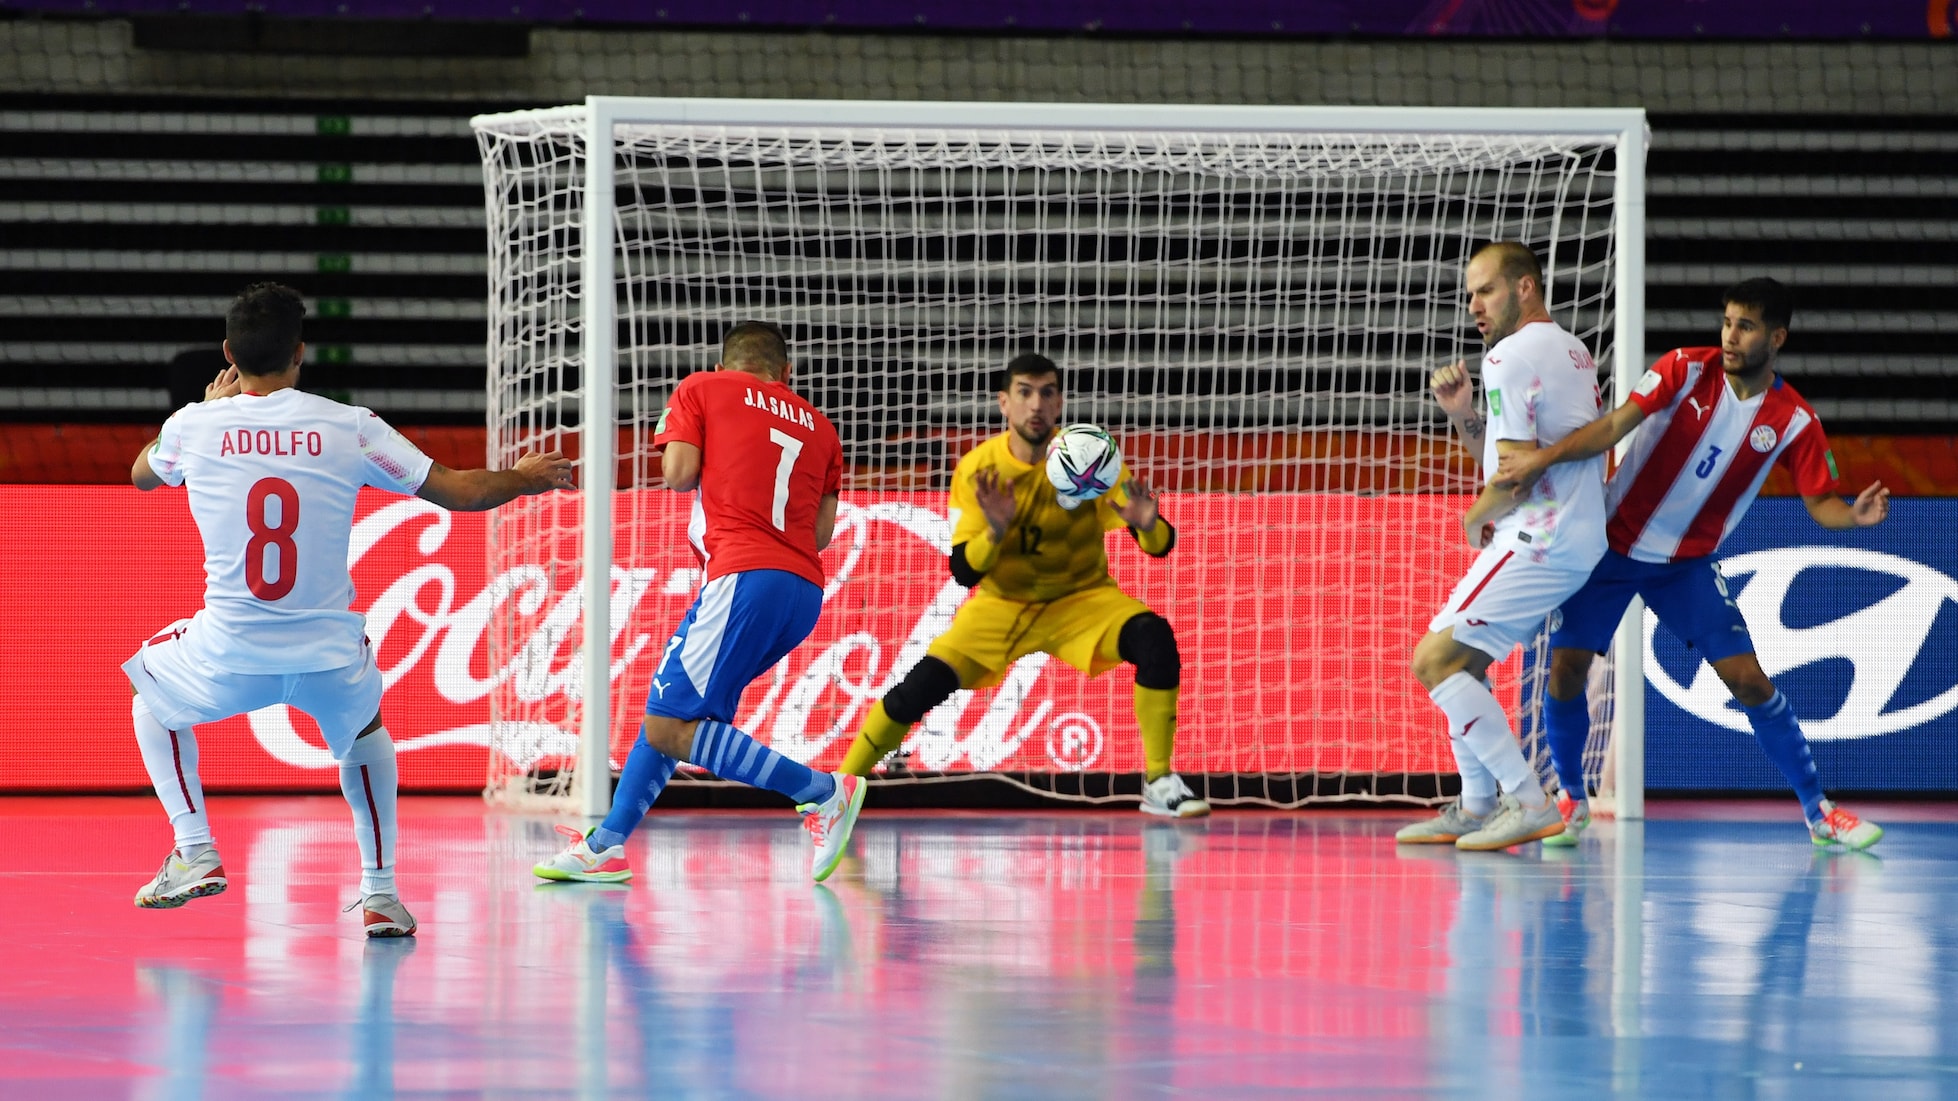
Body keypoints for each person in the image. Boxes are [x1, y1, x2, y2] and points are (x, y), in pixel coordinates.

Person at [126, 282, 574, 936]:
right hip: (329, 655)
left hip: (227, 654)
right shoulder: (350, 427)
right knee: (365, 735)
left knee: (150, 693)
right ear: (300, 352)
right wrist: (527, 477)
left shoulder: (193, 426)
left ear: (227, 351)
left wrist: (203, 408)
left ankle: (195, 848)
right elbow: (459, 491)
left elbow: (142, 473)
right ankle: (382, 893)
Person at [1492, 278, 1888, 849]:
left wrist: (1854, 517)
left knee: (1750, 682)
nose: (1730, 336)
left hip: (1688, 566)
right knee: (1565, 669)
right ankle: (1572, 799)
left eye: (1746, 326)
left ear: (1776, 337)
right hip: (1611, 548)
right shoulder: (1683, 369)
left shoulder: (1795, 420)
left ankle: (1819, 812)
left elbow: (1821, 503)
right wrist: (1540, 462)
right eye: (1727, 321)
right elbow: (1610, 428)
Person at [534, 321, 868, 884]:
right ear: (786, 374)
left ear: (725, 363)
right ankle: (606, 845)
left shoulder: (702, 388)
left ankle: (824, 792)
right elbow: (819, 535)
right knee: (672, 715)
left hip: (742, 577)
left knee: (670, 725)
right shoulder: (822, 428)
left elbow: (679, 472)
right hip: (803, 592)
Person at [833, 353, 1209, 818]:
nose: (1037, 404)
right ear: (1004, 404)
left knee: (1155, 638)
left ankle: (1158, 781)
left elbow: (1159, 545)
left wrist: (1147, 524)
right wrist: (995, 530)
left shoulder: (1088, 455)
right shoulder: (980, 470)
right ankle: (838, 791)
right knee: (917, 689)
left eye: (1047, 392)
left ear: (1060, 402)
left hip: (1081, 599)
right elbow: (964, 572)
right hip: (1002, 604)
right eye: (1025, 393)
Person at [1397, 242, 1608, 851]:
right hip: (1563, 533)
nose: (1473, 306)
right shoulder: (1572, 349)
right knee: (1465, 662)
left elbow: (1513, 476)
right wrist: (1464, 415)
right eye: (1469, 294)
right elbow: (1506, 454)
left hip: (1541, 536)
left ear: (1525, 287)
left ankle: (1530, 801)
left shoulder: (1510, 357)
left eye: (1485, 290)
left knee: (1433, 662)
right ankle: (1476, 803)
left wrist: (1475, 516)